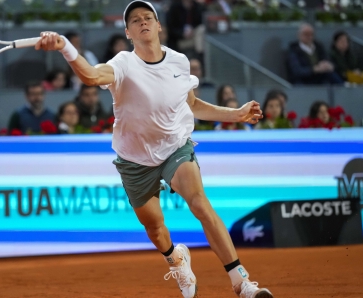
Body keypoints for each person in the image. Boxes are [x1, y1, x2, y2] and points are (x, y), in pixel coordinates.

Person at [34, 1, 272, 298]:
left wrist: (235, 114)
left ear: (159, 26)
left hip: (175, 147)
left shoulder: (179, 62)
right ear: (129, 32)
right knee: (156, 229)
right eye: (135, 20)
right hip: (134, 158)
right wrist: (65, 47)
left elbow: (193, 105)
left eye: (148, 17)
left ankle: (242, 283)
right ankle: (177, 260)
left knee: (200, 204)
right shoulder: (122, 64)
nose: (143, 22)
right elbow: (92, 77)